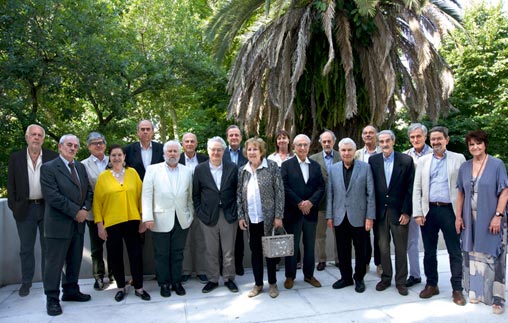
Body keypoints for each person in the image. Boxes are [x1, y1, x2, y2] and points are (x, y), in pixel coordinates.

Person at [455, 130, 508, 314]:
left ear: (485, 144)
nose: (475, 147)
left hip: (491, 217)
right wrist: (458, 216)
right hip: (470, 219)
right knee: (472, 254)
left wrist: (498, 215)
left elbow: (504, 192)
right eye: (471, 144)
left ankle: (497, 299)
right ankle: (476, 291)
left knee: (495, 257)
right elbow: (460, 192)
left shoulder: (496, 164)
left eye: (478, 143)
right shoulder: (465, 167)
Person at [412, 126, 466, 306]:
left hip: (450, 210)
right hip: (429, 211)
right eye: (433, 139)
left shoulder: (458, 159)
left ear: (446, 140)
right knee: (429, 251)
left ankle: (457, 289)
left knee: (454, 251)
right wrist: (418, 212)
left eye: (439, 139)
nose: (435, 142)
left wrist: (461, 214)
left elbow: (463, 188)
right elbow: (417, 188)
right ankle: (431, 284)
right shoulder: (423, 161)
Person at [40, 134, 93, 316]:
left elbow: (89, 191)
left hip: (78, 224)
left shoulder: (79, 166)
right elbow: (52, 196)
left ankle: (71, 291)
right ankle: (52, 299)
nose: (72, 148)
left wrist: (85, 208)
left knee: (74, 260)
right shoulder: (48, 168)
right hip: (58, 224)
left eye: (76, 146)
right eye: (69, 145)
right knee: (54, 264)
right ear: (60, 147)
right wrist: (76, 212)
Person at [93, 144, 150, 302]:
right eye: (113, 155)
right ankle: (120, 287)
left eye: (119, 155)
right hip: (112, 223)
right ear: (109, 158)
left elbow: (142, 197)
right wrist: (99, 225)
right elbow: (97, 203)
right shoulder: (103, 177)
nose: (117, 158)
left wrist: (143, 218)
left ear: (124, 156)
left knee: (136, 255)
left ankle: (139, 287)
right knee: (115, 256)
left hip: (132, 221)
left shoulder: (133, 173)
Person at [7, 124, 58, 297]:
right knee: (26, 248)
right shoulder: (16, 158)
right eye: (33, 134)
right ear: (27, 137)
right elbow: (11, 185)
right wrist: (14, 207)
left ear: (43, 139)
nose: (36, 137)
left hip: (46, 208)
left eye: (39, 135)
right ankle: (26, 282)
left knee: (48, 248)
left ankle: (48, 282)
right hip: (25, 209)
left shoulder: (52, 156)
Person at [143, 140, 194, 297]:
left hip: (181, 219)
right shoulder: (152, 170)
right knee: (162, 254)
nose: (172, 154)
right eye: (169, 151)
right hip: (159, 219)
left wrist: (190, 215)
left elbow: (189, 196)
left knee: (178, 252)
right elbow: (146, 195)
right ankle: (164, 283)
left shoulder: (186, 171)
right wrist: (147, 217)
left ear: (179, 154)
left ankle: (176, 282)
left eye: (175, 151)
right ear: (164, 154)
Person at [237, 137, 284, 298]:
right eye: (249, 149)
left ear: (261, 151)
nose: (252, 152)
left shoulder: (271, 167)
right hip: (251, 219)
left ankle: (272, 284)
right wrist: (241, 216)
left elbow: (279, 192)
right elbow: (239, 195)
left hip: (269, 219)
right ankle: (258, 284)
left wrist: (278, 215)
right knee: (255, 252)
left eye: (255, 149)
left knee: (270, 253)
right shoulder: (243, 170)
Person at [327, 138, 375, 293]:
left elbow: (371, 194)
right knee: (342, 249)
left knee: (361, 250)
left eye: (349, 150)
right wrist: (329, 216)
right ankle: (346, 277)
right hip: (340, 216)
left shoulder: (365, 168)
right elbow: (330, 195)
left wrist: (370, 217)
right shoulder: (333, 169)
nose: (346, 153)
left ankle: (359, 278)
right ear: (339, 151)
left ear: (355, 151)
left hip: (360, 217)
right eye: (343, 150)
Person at [369, 130, 414, 296]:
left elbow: (410, 188)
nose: (385, 144)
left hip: (399, 212)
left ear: (393, 142)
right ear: (378, 143)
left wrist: (407, 211)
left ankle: (401, 281)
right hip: (380, 213)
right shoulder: (373, 161)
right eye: (381, 141)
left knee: (401, 248)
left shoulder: (406, 161)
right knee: (383, 248)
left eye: (388, 141)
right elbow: (371, 188)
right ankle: (386, 278)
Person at [193, 136, 239, 294]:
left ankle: (228, 278)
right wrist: (200, 212)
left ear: (223, 151)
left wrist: (236, 211)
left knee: (228, 250)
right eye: (213, 149)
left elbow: (237, 191)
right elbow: (195, 195)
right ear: (208, 150)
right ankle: (212, 279)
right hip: (208, 216)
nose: (216, 152)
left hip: (228, 214)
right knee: (210, 250)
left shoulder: (232, 167)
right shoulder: (200, 169)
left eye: (219, 150)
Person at [281, 134, 325, 289]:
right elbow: (284, 187)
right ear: (294, 146)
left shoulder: (315, 165)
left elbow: (321, 187)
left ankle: (309, 275)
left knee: (310, 246)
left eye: (305, 145)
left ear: (309, 146)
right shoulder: (286, 165)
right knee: (291, 247)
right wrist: (299, 202)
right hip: (293, 213)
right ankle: (290, 276)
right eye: (299, 145)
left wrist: (311, 202)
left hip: (310, 214)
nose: (302, 148)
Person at [81, 132, 113, 290]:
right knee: (96, 246)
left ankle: (114, 274)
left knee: (114, 244)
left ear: (105, 144)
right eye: (94, 143)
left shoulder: (113, 159)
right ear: (88, 146)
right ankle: (98, 276)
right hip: (94, 212)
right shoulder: (83, 165)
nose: (98, 145)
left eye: (101, 142)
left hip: (114, 211)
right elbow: (85, 189)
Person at [403, 123, 432, 288]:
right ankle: (414, 275)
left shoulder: (435, 153)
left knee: (430, 242)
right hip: (413, 205)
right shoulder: (405, 156)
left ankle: (431, 278)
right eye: (412, 137)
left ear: (425, 137)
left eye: (418, 136)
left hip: (432, 205)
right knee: (411, 241)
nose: (416, 139)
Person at [179, 132, 209, 284]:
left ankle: (202, 271)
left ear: (196, 143)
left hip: (201, 205)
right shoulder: (175, 159)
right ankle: (185, 271)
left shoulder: (205, 159)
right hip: (182, 205)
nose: (189, 144)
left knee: (201, 239)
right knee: (185, 240)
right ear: (182, 144)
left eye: (192, 141)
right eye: (186, 141)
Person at [310, 130, 340, 271]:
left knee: (338, 234)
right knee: (319, 234)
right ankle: (321, 260)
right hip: (320, 203)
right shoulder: (313, 159)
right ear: (320, 142)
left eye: (329, 141)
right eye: (324, 141)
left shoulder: (342, 157)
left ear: (334, 142)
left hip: (338, 204)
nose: (327, 144)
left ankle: (339, 259)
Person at [355, 125, 382, 275]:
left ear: (376, 135)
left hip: (379, 199)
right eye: (365, 133)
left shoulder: (382, 151)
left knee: (379, 235)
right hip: (361, 201)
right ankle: (364, 262)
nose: (368, 135)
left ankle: (379, 263)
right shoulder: (357, 154)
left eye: (371, 133)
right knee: (363, 235)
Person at [222, 125, 248, 276]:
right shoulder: (221, 153)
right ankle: (224, 266)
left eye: (236, 135)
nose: (234, 137)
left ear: (241, 137)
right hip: (225, 201)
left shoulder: (246, 153)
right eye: (231, 135)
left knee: (239, 236)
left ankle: (238, 264)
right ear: (227, 138)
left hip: (243, 200)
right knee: (224, 236)